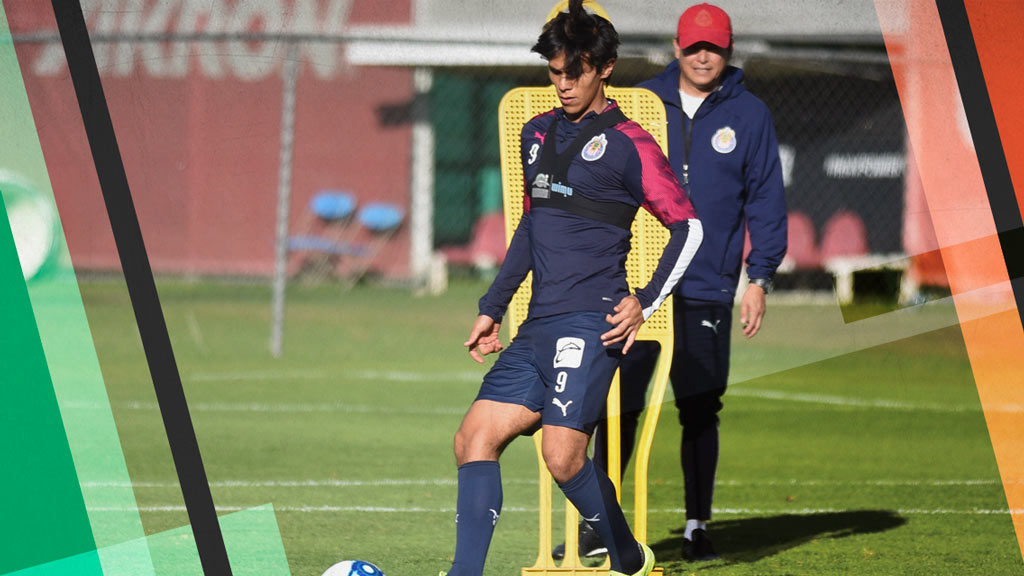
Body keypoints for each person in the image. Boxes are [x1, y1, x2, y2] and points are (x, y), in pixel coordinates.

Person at [438, 2, 704, 575]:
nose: (562, 84)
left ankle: (628, 558)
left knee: (562, 455)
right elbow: (531, 228)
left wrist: (647, 300)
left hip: (592, 322)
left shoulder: (631, 144)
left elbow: (689, 226)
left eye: (574, 72)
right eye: (555, 71)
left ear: (604, 68)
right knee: (472, 440)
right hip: (537, 325)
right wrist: (492, 307)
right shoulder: (536, 133)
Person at [565, 2, 787, 564]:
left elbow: (765, 199)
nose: (703, 56)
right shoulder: (639, 102)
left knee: (699, 406)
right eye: (694, 46)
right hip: (637, 284)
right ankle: (599, 524)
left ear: (728, 50)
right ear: (677, 47)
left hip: (710, 284)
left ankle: (696, 524)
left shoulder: (751, 114)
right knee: (619, 404)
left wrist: (758, 276)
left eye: (713, 47)